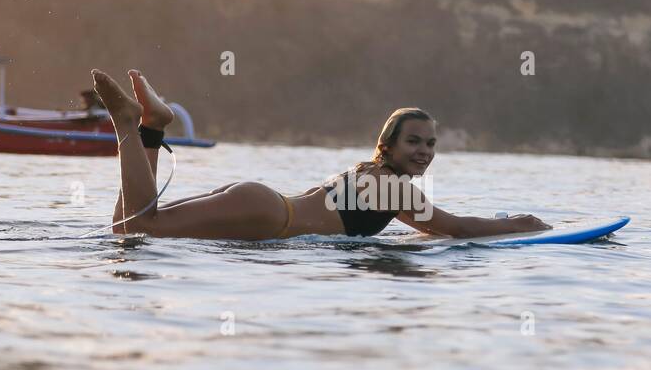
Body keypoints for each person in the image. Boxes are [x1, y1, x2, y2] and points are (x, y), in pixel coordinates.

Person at [94, 69, 551, 241]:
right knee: (137, 228)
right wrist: (517, 225)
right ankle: (131, 122)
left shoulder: (372, 178)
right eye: (414, 142)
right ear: (387, 146)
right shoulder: (389, 186)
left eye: (431, 143)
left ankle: (151, 128)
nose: (424, 152)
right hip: (268, 216)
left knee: (132, 226)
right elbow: (453, 227)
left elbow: (433, 229)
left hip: (261, 204)